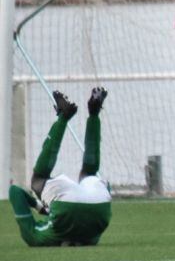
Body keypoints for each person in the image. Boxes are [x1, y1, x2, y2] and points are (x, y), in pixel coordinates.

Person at [8, 89, 111, 247]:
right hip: (94, 207)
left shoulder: (90, 239)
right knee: (38, 180)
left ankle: (93, 113)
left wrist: (44, 209)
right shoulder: (35, 238)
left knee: (89, 173)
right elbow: (14, 192)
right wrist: (40, 207)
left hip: (99, 211)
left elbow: (79, 223)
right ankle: (65, 117)